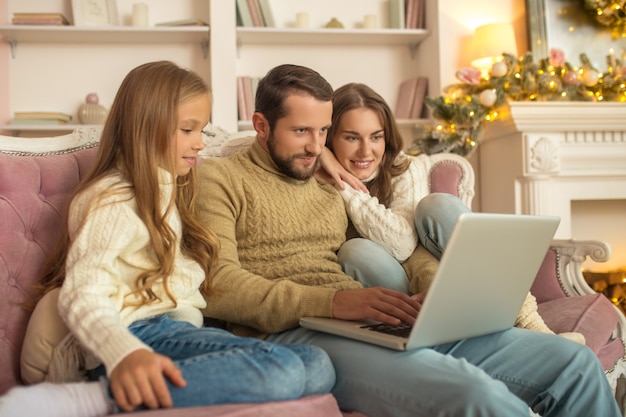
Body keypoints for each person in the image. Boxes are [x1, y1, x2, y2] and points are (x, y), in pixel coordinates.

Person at [195, 63, 620, 417]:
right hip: (295, 334)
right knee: (473, 393)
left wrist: (431, 299)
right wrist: (332, 303)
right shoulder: (219, 177)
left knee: (573, 363)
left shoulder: (330, 181)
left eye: (324, 132)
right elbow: (218, 285)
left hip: (372, 319)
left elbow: (403, 250)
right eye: (301, 131)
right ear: (261, 126)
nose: (314, 146)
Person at [0, 61, 335, 417]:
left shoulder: (166, 185)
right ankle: (88, 399)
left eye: (202, 129)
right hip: (137, 337)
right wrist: (125, 353)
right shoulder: (115, 200)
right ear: (145, 129)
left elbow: (261, 140)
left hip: (174, 332)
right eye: (188, 130)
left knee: (317, 365)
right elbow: (82, 293)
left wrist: (320, 151)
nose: (201, 143)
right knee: (283, 372)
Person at [321, 82, 584, 341]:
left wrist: (343, 182)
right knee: (355, 251)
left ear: (386, 136)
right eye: (352, 137)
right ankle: (444, 330)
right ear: (330, 137)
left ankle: (531, 325)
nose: (366, 151)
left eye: (376, 136)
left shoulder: (404, 167)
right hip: (397, 294)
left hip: (437, 270)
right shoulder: (316, 176)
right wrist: (330, 169)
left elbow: (401, 244)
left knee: (437, 205)